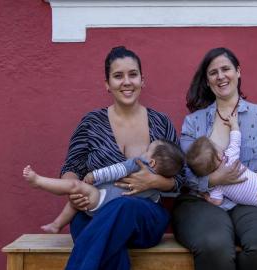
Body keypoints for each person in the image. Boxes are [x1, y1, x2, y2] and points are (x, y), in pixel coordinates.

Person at [57, 46, 184, 270]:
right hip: (92, 212)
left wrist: (155, 182)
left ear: (142, 80)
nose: (126, 81)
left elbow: (182, 179)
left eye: (132, 74)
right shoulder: (91, 123)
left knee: (123, 207)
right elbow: (71, 167)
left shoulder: (161, 123)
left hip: (144, 217)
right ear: (107, 84)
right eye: (118, 76)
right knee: (108, 244)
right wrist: (74, 189)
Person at [173, 47, 257, 270]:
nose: (220, 76)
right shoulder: (193, 122)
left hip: (252, 200)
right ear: (208, 81)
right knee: (214, 246)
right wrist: (214, 180)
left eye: (226, 69)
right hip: (203, 201)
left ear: (238, 72)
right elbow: (184, 174)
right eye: (213, 73)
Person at [23, 139, 184, 233]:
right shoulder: (154, 192)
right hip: (112, 211)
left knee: (74, 186)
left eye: (148, 150)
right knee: (76, 198)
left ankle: (38, 182)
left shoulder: (137, 163)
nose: (144, 151)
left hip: (101, 198)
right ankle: (57, 224)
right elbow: (154, 202)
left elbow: (116, 170)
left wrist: (94, 175)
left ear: (152, 162)